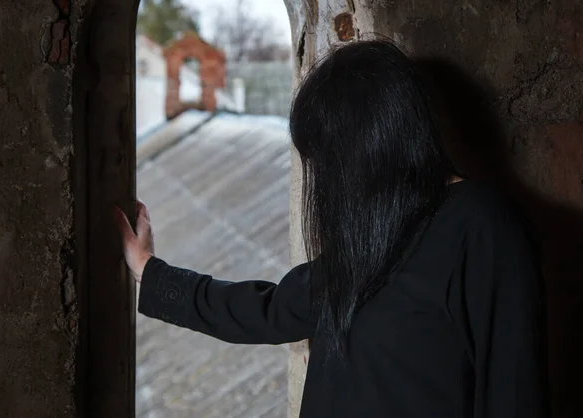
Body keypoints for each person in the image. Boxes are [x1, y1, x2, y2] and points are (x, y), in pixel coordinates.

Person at [115, 40, 549, 417]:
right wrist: (149, 269)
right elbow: (265, 312)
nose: (326, 181)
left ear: (374, 145)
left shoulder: (482, 226)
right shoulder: (378, 230)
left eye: (329, 160)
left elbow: (513, 397)